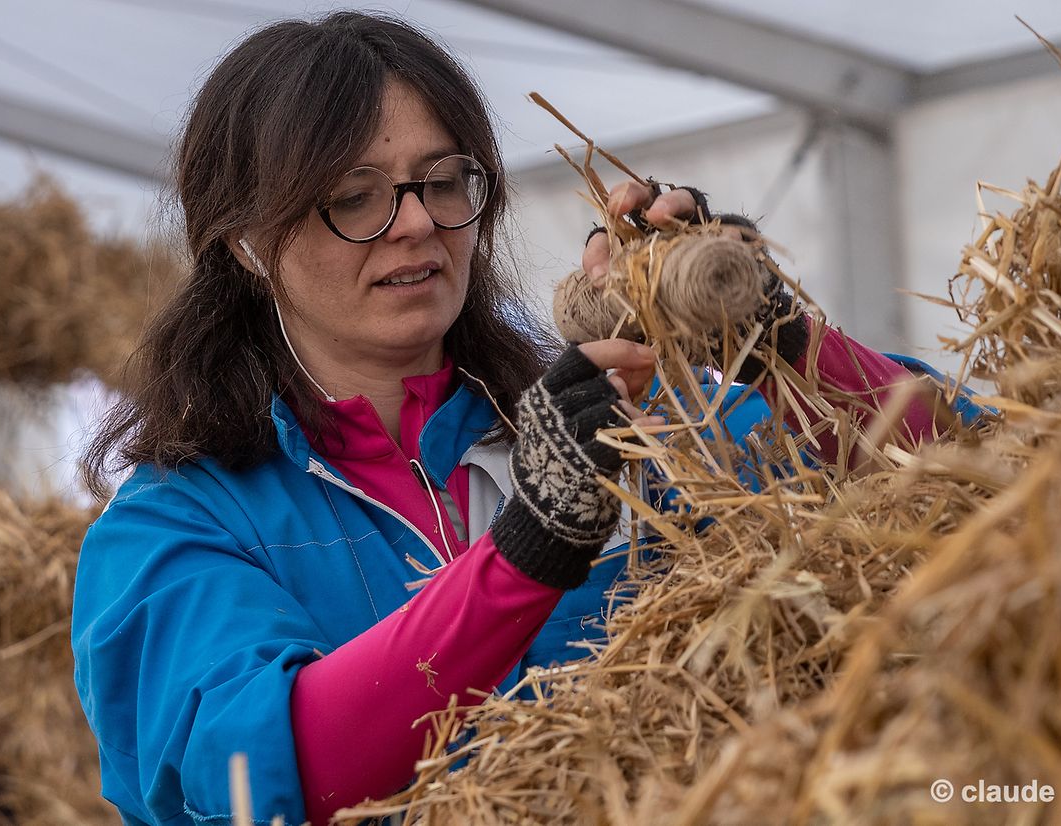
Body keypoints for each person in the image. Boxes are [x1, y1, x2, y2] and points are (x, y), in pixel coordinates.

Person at [71, 12, 955, 826]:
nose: (417, 222)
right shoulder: (173, 529)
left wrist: (780, 340)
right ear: (248, 243)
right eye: (353, 195)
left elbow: (962, 481)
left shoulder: (618, 427)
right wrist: (528, 550)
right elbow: (275, 773)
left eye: (443, 181)